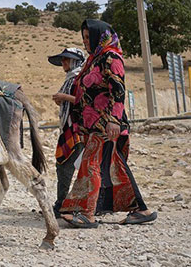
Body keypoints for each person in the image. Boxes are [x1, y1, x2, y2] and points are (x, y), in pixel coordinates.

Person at [60, 19, 157, 228]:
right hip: (94, 124)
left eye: (89, 37)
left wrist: (113, 120)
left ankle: (87, 213)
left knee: (91, 165)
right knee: (114, 167)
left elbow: (118, 91)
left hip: (107, 124)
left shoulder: (111, 57)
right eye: (84, 37)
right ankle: (141, 210)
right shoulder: (94, 59)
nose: (86, 41)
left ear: (99, 36)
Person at [48, 48, 86, 218]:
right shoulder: (71, 78)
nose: (63, 63)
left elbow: (84, 101)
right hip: (69, 128)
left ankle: (63, 204)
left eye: (66, 60)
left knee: (66, 166)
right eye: (63, 60)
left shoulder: (80, 78)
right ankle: (65, 203)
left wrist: (63, 97)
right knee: (65, 166)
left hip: (76, 128)